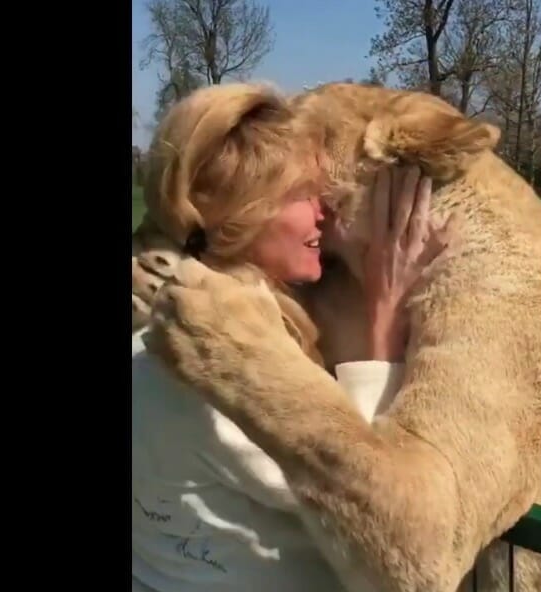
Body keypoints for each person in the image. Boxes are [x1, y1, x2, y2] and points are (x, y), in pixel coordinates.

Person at [131, 83, 451, 592]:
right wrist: (383, 317)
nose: (326, 210)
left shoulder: (156, 331)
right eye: (303, 196)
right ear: (244, 216)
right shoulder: (213, 366)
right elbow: (363, 496)